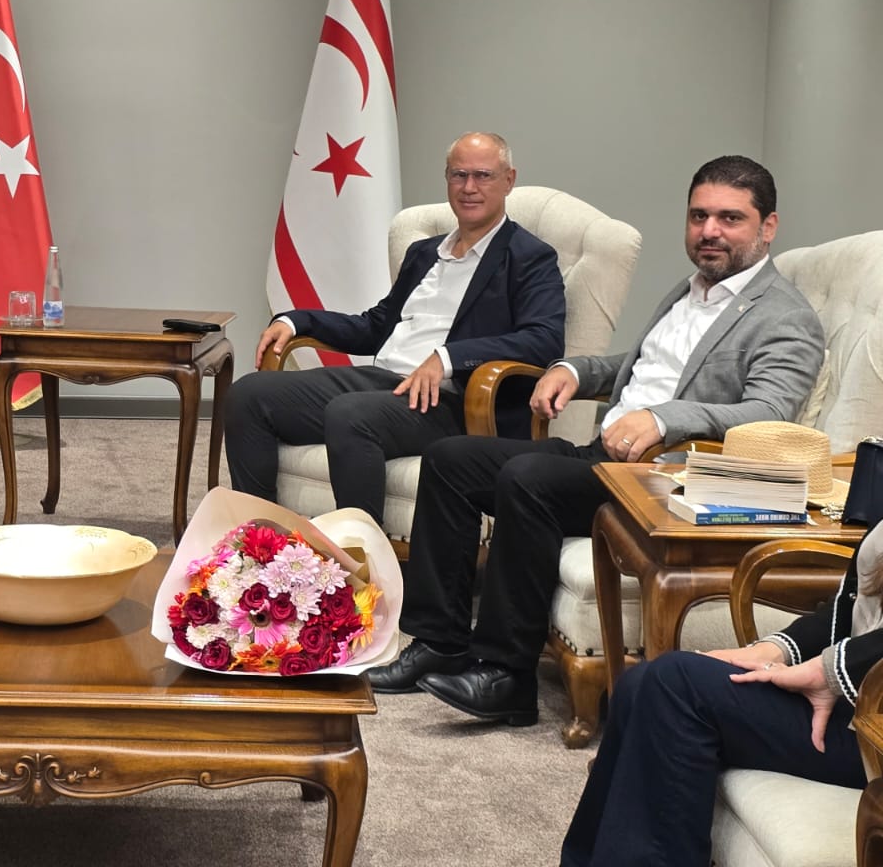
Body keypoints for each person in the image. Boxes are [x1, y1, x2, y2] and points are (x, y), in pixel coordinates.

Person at [368, 154, 825, 727]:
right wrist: (575, 370)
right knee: (451, 459)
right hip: (605, 456)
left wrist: (664, 418)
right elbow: (646, 364)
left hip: (664, 483)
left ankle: (506, 676)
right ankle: (439, 641)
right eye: (699, 216)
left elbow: (770, 413)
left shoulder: (785, 316)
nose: (709, 231)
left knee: (527, 478)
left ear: (768, 226)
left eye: (730, 218)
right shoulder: (691, 292)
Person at [224, 132, 566, 522]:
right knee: (248, 394)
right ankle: (260, 537)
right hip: (381, 381)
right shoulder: (424, 253)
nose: (469, 187)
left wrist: (448, 358)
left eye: (483, 175)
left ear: (508, 180)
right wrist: (296, 319)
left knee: (351, 413)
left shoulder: (530, 257)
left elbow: (543, 340)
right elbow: (375, 326)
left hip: (451, 401)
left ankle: (360, 551)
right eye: (459, 175)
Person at [562, 521, 882, 866]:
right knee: (638, 683)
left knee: (676, 687)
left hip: (872, 726)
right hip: (855, 689)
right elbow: (854, 599)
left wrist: (833, 670)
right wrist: (774, 650)